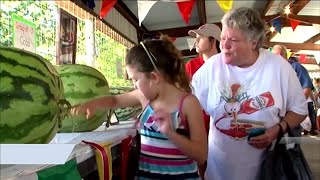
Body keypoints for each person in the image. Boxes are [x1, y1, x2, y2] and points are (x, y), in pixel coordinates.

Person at [191, 7, 308, 180]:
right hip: (219, 171)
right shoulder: (212, 67)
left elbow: (299, 110)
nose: (224, 45)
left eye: (233, 40)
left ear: (253, 42)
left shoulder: (279, 67)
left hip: (265, 171)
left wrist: (277, 129)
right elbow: (189, 104)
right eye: (223, 37)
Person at [72, 36, 207, 179]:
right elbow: (115, 100)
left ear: (154, 77)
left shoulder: (188, 103)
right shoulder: (143, 98)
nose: (133, 85)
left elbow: (201, 155)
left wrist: (170, 133)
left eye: (135, 79)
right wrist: (94, 103)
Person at [272, 45, 318, 135]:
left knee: (291, 143)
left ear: (286, 55)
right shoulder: (272, 70)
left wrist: (295, 105)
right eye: (276, 55)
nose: (279, 57)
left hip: (291, 114)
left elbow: (307, 88)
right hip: (275, 114)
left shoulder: (295, 67)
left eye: (281, 54)